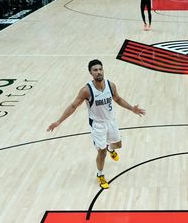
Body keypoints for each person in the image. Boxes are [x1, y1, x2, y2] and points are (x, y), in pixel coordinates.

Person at [47, 60, 145, 189]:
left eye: (100, 69)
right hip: (97, 125)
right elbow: (73, 106)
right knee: (101, 152)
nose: (98, 72)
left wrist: (132, 108)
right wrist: (59, 121)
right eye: (95, 70)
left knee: (118, 145)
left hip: (111, 121)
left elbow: (118, 99)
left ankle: (111, 149)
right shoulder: (86, 90)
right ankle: (100, 175)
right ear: (90, 73)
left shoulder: (111, 85)